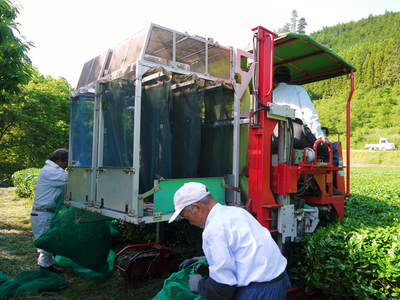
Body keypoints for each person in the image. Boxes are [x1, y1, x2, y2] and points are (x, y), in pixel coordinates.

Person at [168, 182, 291, 300]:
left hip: (259, 291)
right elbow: (245, 249)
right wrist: (205, 259)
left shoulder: (213, 230)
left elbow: (223, 288)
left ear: (196, 207)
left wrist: (200, 285)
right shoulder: (237, 212)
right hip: (279, 281)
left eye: (185, 216)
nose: (190, 222)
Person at [30, 149, 68, 273]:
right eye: (67, 162)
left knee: (49, 240)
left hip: (46, 212)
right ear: (59, 160)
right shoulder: (50, 171)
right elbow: (70, 179)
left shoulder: (53, 170)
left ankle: (48, 266)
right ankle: (45, 269)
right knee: (45, 242)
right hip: (43, 213)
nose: (67, 165)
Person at [273, 66, 327, 149]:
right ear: (289, 79)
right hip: (298, 135)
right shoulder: (298, 90)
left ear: (274, 80)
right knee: (332, 149)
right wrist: (319, 135)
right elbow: (309, 113)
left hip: (275, 137)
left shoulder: (270, 95)